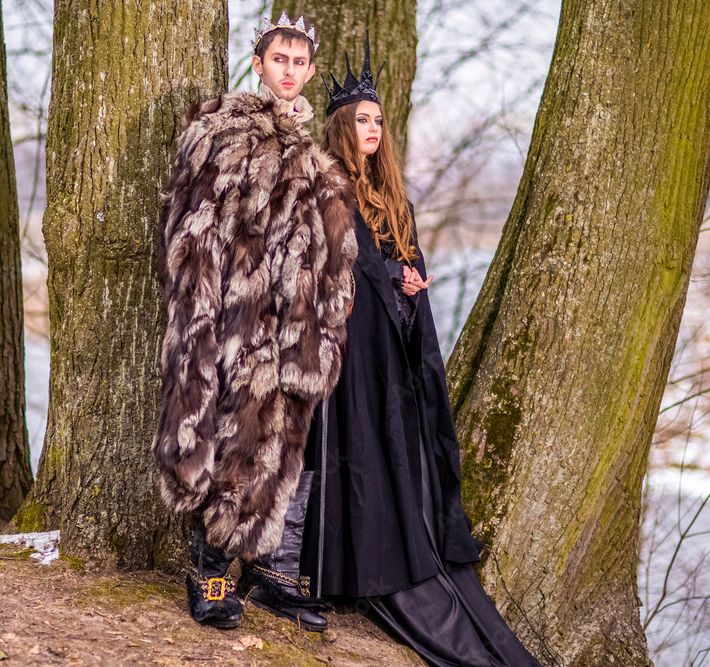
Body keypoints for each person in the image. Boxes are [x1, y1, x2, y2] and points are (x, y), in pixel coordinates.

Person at [300, 34, 543, 666]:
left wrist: (410, 285)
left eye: (379, 121)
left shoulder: (392, 198)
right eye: (362, 121)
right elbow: (329, 271)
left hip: (391, 359)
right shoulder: (327, 190)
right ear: (340, 128)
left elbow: (402, 270)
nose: (373, 130)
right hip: (348, 359)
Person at [152, 13, 358, 632]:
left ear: (310, 71)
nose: (289, 72)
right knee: (221, 434)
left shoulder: (318, 162)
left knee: (272, 448)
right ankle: (209, 569)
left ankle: (252, 567)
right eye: (279, 60)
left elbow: (330, 255)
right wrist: (203, 310)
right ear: (259, 65)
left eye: (299, 63)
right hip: (236, 315)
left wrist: (325, 321)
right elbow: (194, 229)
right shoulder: (227, 133)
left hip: (291, 333)